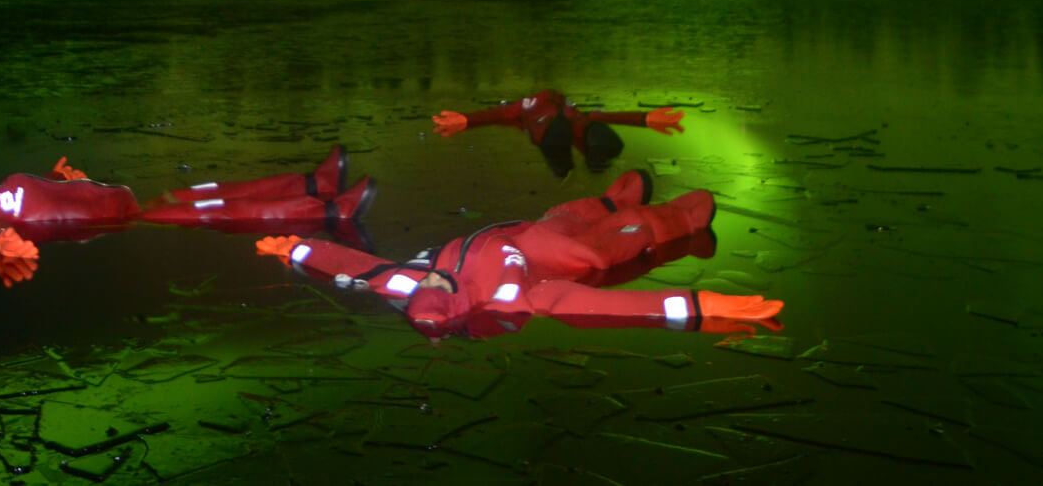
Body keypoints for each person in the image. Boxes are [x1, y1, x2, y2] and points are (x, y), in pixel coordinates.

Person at [255, 169, 782, 340]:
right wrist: (695, 305)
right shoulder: (519, 300)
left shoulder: (407, 281)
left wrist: (298, 246)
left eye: (425, 288)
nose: (431, 281)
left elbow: (353, 266)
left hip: (545, 226)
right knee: (636, 229)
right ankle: (671, 216)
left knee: (564, 212)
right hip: (587, 251)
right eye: (438, 289)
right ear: (458, 304)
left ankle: (611, 198)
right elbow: (593, 307)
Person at [0, 147, 375, 286]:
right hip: (121, 217)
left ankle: (315, 184)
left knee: (212, 192)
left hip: (118, 202)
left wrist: (58, 180)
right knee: (214, 209)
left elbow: (26, 203)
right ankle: (330, 210)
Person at [432, 90, 686, 176]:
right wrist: (467, 120)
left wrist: (645, 118)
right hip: (554, 131)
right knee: (565, 148)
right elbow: (501, 115)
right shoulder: (528, 111)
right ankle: (571, 167)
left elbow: (600, 118)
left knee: (587, 136)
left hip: (564, 128)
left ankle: (582, 164)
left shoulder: (568, 116)